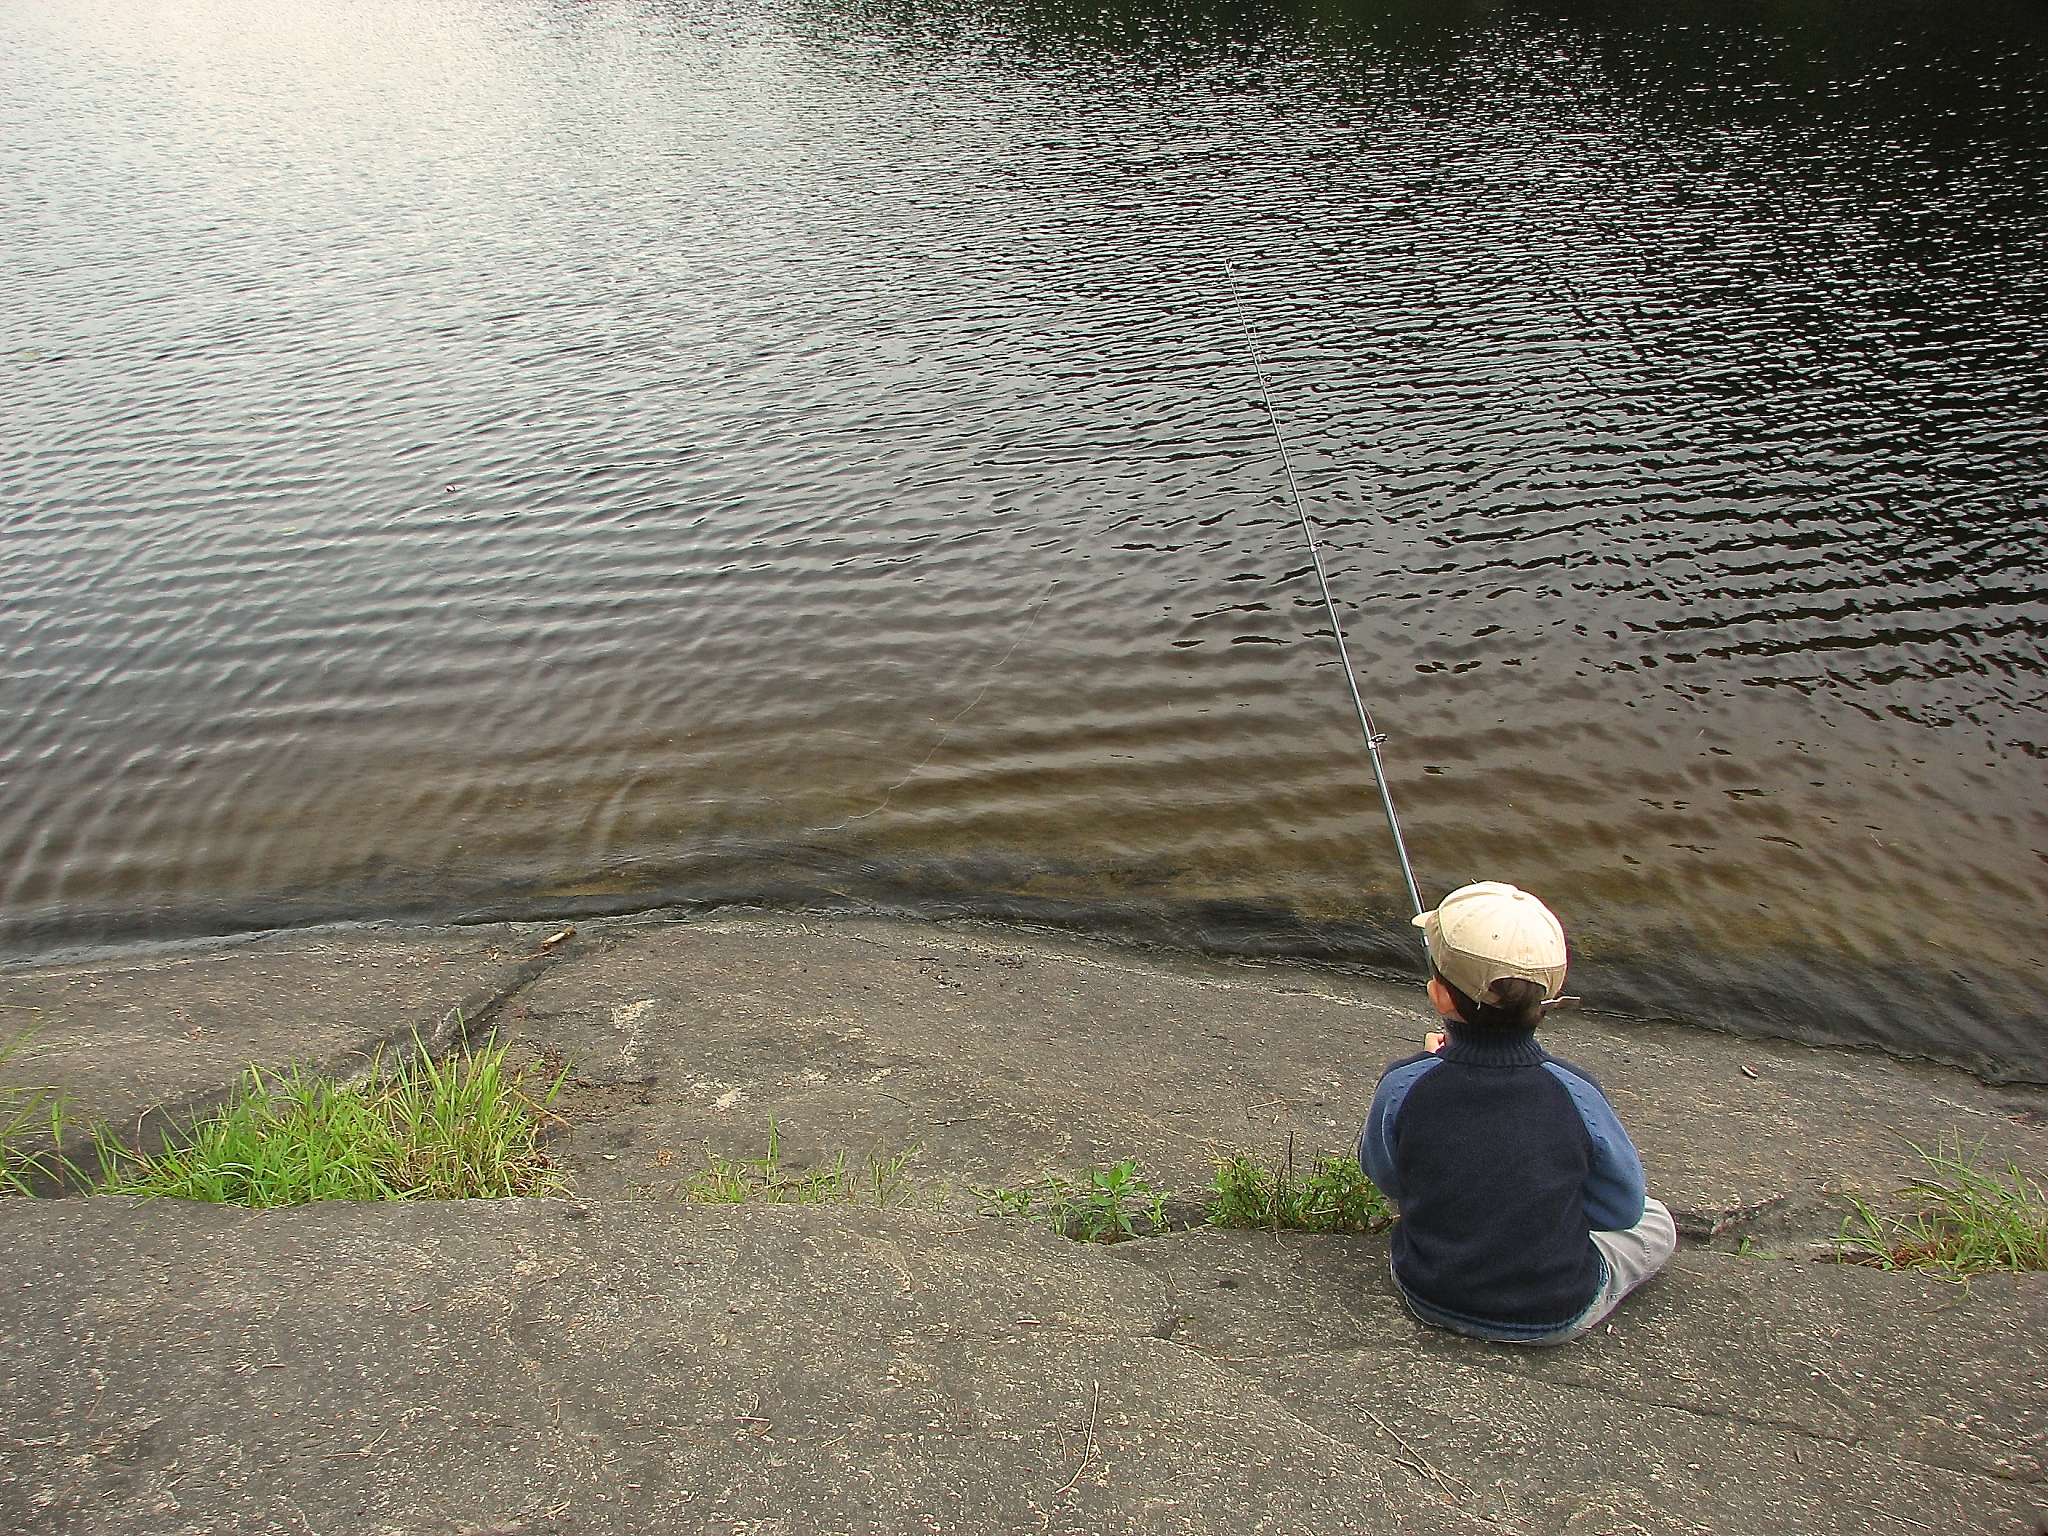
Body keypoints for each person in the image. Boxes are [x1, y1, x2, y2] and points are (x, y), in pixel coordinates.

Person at [1359, 881, 1676, 1344]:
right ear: (1548, 1002)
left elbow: (1385, 1175)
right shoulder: (1576, 1091)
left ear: (1440, 997)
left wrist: (1430, 1066)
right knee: (1657, 1220)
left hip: (1426, 1293)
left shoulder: (1404, 1083)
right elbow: (1621, 1207)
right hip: (1553, 1315)